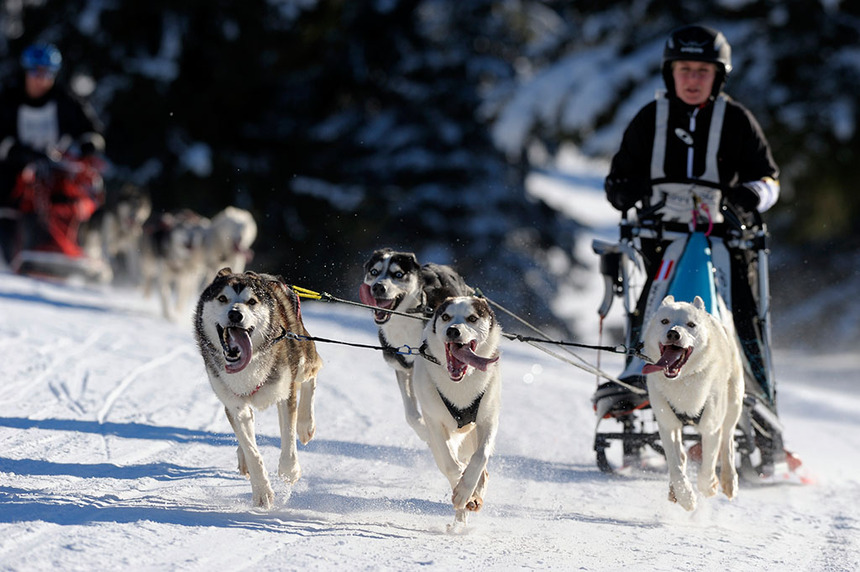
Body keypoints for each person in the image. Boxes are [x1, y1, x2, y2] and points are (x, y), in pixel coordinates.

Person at [598, 25, 790, 472]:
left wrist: (748, 198)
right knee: (651, 308)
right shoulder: (650, 118)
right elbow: (618, 177)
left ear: (717, 76)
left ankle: (755, 398)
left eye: (702, 71)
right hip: (660, 240)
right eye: (684, 69)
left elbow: (769, 181)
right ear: (671, 73)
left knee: (743, 316)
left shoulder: (737, 120)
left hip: (725, 242)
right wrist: (622, 191)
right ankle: (637, 381)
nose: (692, 78)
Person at [0, 42, 105, 265]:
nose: (41, 79)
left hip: (55, 167)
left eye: (47, 73)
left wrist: (89, 144)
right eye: (36, 72)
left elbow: (90, 131)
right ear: (26, 72)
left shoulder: (65, 101)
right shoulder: (9, 100)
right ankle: (11, 253)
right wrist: (18, 153)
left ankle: (76, 250)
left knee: (78, 194)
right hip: (15, 168)